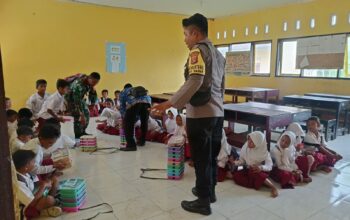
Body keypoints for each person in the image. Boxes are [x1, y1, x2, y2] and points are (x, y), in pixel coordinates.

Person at [151, 13, 225, 215]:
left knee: (201, 159)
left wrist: (169, 103)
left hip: (201, 113)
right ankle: (209, 192)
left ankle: (202, 201)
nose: (184, 39)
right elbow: (222, 85)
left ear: (195, 33)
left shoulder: (197, 51)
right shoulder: (218, 54)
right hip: (217, 113)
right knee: (210, 156)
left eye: (185, 34)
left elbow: (195, 80)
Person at [13, 150, 62, 219]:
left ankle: (50, 204)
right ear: (25, 167)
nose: (35, 163)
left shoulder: (25, 172)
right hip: (26, 207)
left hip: (34, 194)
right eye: (33, 162)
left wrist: (43, 182)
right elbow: (31, 202)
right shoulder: (18, 183)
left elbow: (33, 183)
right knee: (49, 200)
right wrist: (43, 186)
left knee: (55, 180)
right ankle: (45, 209)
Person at [232, 131, 278, 198]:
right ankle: (257, 182)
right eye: (248, 140)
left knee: (253, 172)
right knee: (237, 173)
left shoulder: (263, 151)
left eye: (252, 142)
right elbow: (242, 160)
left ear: (258, 143)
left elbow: (269, 165)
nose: (248, 143)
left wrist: (261, 168)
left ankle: (273, 187)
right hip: (246, 167)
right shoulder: (245, 147)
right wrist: (236, 163)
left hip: (259, 171)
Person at [65, 72, 100, 139]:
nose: (94, 84)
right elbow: (76, 101)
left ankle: (83, 131)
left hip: (79, 98)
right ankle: (78, 135)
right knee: (78, 116)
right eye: (93, 82)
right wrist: (81, 114)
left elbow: (93, 94)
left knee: (87, 113)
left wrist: (92, 104)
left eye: (96, 83)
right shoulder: (78, 85)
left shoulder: (90, 83)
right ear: (89, 78)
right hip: (71, 99)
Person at [119, 84, 151, 151]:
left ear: (124, 88)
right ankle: (142, 141)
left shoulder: (123, 91)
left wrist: (124, 118)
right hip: (147, 102)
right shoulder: (136, 89)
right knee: (144, 122)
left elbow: (122, 106)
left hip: (135, 103)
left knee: (127, 124)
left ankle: (131, 145)